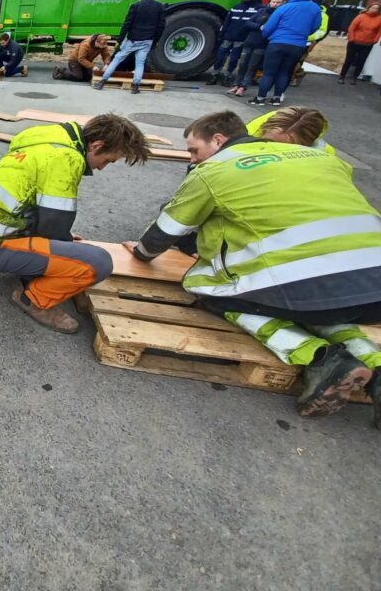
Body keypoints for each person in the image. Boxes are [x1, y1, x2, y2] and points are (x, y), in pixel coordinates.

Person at [125, 110, 381, 425]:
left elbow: (161, 235)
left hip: (301, 284)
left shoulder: (214, 169)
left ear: (217, 140)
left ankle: (321, 359)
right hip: (373, 289)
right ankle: (376, 366)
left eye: (194, 149)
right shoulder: (324, 158)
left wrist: (140, 253)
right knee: (326, 306)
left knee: (210, 289)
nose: (191, 158)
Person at [0, 114, 150, 333]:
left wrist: (67, 241)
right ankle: (32, 299)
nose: (102, 167)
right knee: (98, 262)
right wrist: (71, 248)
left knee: (69, 244)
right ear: (96, 145)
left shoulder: (47, 138)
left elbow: (42, 212)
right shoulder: (66, 159)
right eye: (107, 160)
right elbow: (54, 228)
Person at [248, 0, 321, 107]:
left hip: (277, 42)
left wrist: (266, 34)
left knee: (269, 73)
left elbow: (270, 25)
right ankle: (276, 98)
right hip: (298, 45)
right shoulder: (315, 8)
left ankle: (260, 98)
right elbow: (315, 26)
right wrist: (303, 34)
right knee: (285, 72)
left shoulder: (285, 7)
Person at [93, 0, 165, 94]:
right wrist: (155, 41)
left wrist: (120, 40)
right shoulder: (159, 6)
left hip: (132, 40)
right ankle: (135, 87)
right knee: (140, 63)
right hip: (147, 41)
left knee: (117, 59)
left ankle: (102, 82)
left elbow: (126, 25)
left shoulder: (135, 6)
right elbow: (161, 26)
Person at [226, 0, 285, 97]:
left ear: (282, 4)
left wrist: (265, 28)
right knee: (242, 64)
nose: (275, 4)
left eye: (278, 3)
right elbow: (248, 23)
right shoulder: (261, 11)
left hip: (262, 44)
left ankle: (243, 87)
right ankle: (236, 84)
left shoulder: (279, 15)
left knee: (252, 66)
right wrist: (259, 26)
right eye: (273, 2)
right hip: (250, 41)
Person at [207, 0, 262, 85]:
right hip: (228, 37)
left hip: (241, 39)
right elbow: (227, 22)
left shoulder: (258, 9)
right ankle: (214, 75)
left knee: (234, 59)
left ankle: (227, 76)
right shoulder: (236, 7)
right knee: (220, 57)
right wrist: (222, 34)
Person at [247, 106, 335, 154]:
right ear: (263, 130)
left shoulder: (325, 154)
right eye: (267, 142)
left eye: (282, 148)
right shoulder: (246, 135)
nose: (270, 149)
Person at [339, 3, 381, 85]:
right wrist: (351, 38)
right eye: (373, 8)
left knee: (361, 61)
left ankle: (354, 77)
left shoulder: (379, 19)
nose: (374, 10)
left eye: (376, 8)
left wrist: (374, 41)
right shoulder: (361, 16)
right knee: (349, 60)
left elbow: (379, 32)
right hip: (354, 42)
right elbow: (352, 27)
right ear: (368, 8)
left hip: (368, 44)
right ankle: (342, 76)